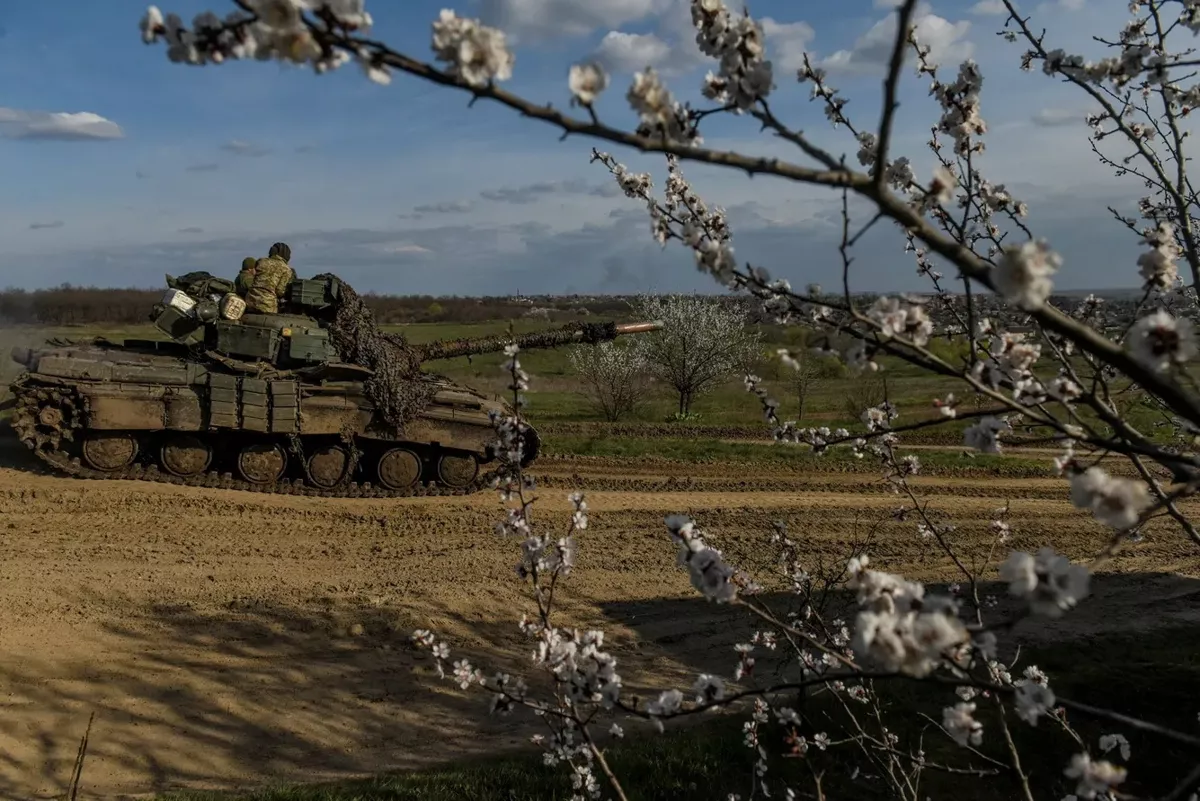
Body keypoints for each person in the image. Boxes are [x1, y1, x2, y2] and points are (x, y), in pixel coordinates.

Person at [245, 242, 295, 314]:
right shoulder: (286, 269)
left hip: (250, 301)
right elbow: (279, 291)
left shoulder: (261, 261)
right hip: (267, 305)